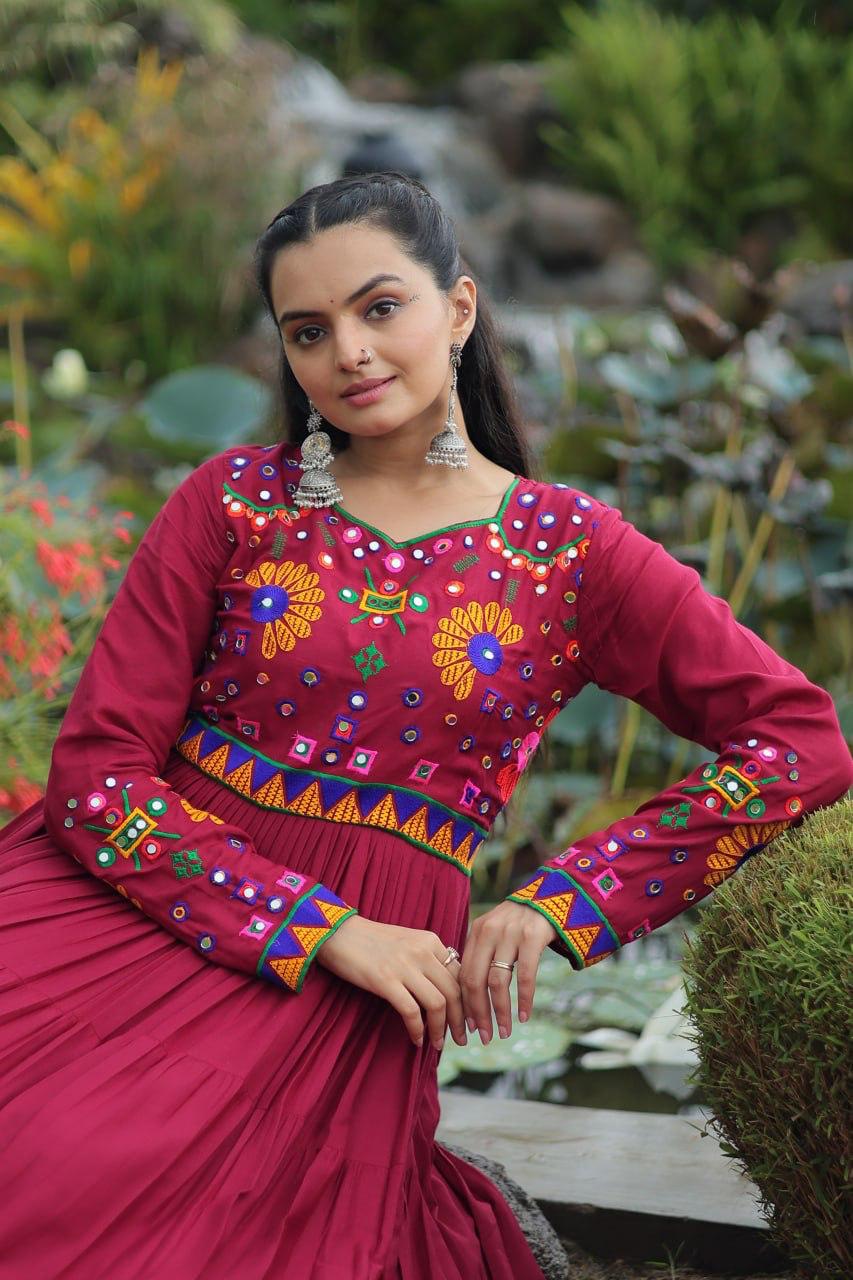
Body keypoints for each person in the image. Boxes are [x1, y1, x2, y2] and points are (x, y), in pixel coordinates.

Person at [0, 171, 849, 1280]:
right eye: (309, 330)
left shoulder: (569, 550)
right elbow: (97, 774)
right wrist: (318, 924)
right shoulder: (234, 501)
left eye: (378, 307)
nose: (347, 350)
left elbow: (800, 740)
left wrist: (561, 900)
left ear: (458, 307)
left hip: (344, 997)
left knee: (122, 1197)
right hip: (127, 908)